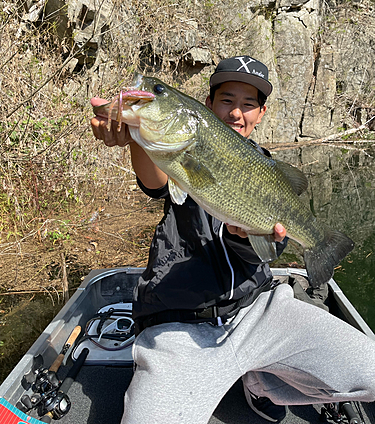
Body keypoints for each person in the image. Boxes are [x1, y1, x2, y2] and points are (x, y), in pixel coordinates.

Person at [91, 56, 375, 424]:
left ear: (260, 113)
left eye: (248, 104)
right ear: (207, 105)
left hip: (258, 310)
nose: (236, 112)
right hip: (180, 326)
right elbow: (156, 183)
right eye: (226, 100)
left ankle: (263, 381)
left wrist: (248, 237)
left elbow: (270, 249)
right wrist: (133, 134)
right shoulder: (175, 147)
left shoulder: (265, 166)